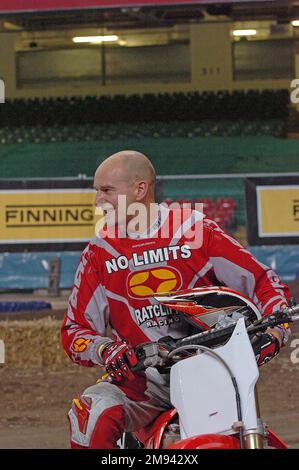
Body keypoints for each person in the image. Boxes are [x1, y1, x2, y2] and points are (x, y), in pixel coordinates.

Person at [61, 150, 290, 449]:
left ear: (140, 189)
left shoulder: (193, 230)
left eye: (106, 191)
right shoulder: (99, 252)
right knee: (91, 413)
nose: (97, 201)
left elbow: (263, 282)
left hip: (211, 372)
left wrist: (276, 331)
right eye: (96, 192)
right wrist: (107, 349)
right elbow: (74, 330)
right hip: (143, 384)